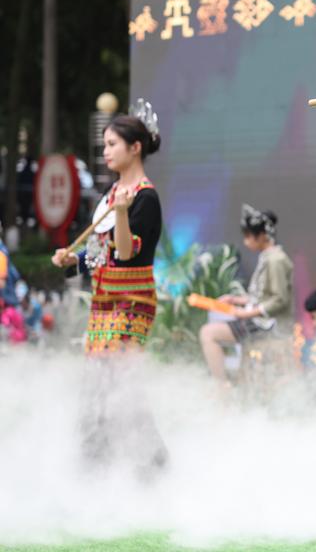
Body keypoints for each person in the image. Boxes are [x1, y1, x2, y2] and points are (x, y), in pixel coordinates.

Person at [51, 99, 167, 474]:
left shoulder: (145, 198)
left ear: (135, 147)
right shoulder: (112, 194)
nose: (105, 152)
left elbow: (127, 251)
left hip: (132, 302)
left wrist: (120, 212)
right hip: (104, 302)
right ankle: (103, 464)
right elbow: (100, 251)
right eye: (104, 146)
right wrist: (73, 261)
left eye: (112, 145)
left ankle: (142, 465)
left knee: (116, 380)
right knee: (103, 381)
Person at [199, 205, 294, 382]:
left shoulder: (276, 260)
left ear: (262, 236)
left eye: (248, 237)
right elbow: (261, 296)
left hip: (268, 325)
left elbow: (279, 300)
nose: (246, 241)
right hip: (259, 320)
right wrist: (235, 300)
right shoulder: (268, 257)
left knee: (208, 333)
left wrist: (247, 312)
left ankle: (221, 385)